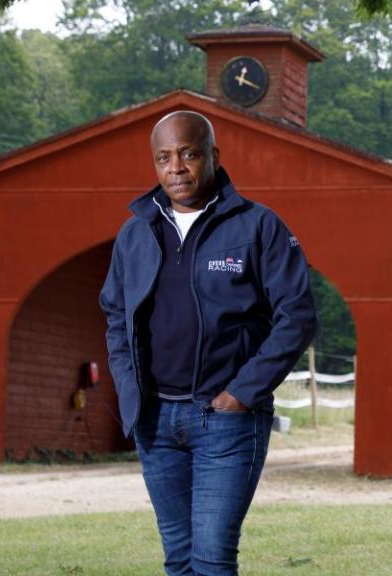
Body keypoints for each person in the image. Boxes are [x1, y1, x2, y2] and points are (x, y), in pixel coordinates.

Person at [98, 110, 318, 575]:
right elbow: (116, 316)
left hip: (225, 421)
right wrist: (129, 390)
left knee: (212, 559)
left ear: (213, 156)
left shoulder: (258, 227)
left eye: (188, 154)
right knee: (179, 562)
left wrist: (243, 392)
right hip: (156, 422)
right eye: (164, 158)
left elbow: (296, 315)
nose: (176, 167)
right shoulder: (136, 233)